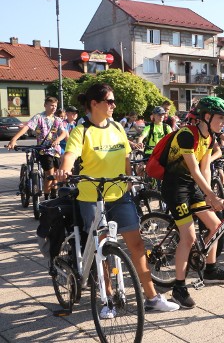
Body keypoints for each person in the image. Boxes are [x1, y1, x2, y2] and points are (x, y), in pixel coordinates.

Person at [54, 83, 179, 315]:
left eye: (113, 101)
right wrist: (64, 169)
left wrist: (129, 179)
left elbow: (125, 156)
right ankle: (107, 298)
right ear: (94, 104)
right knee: (101, 248)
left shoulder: (117, 128)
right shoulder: (81, 131)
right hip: (91, 197)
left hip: (119, 194)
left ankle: (152, 297)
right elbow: (70, 155)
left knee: (137, 244)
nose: (113, 105)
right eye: (109, 101)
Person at [160, 96, 224, 309]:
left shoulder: (209, 138)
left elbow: (205, 168)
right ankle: (179, 288)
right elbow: (193, 169)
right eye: (221, 118)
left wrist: (209, 195)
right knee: (189, 237)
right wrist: (210, 195)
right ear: (207, 117)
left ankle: (210, 269)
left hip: (192, 188)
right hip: (175, 189)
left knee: (216, 226)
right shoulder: (186, 135)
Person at [6, 97, 68, 200]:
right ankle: (47, 198)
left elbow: (63, 133)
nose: (54, 108)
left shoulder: (57, 119)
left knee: (56, 175)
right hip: (44, 150)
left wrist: (58, 140)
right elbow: (27, 127)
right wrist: (14, 139)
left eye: (55, 106)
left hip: (56, 150)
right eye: (51, 105)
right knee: (50, 175)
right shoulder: (38, 117)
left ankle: (54, 196)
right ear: (45, 105)